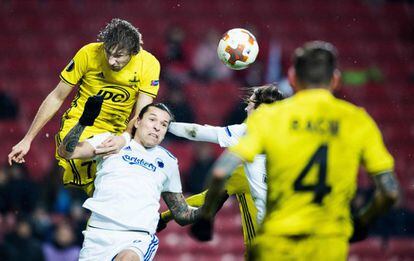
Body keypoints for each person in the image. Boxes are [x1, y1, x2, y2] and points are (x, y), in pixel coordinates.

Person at [191, 41, 400, 260]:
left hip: (277, 241)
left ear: (292, 78)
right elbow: (389, 192)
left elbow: (220, 172)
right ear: (335, 79)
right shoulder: (357, 121)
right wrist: (363, 222)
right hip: (328, 243)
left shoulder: (269, 117)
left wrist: (206, 216)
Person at [8, 18, 160, 196]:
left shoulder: (149, 64)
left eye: (118, 56)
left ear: (133, 52)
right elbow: (57, 96)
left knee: (113, 191)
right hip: (80, 124)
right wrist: (28, 139)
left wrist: (125, 138)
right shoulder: (88, 54)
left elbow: (141, 114)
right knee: (81, 176)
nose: (111, 61)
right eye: (108, 52)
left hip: (116, 131)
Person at [58, 98, 202, 261]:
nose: (157, 127)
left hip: (137, 237)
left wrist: (209, 207)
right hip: (98, 234)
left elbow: (182, 214)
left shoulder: (168, 161)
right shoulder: (111, 142)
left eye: (163, 125)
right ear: (137, 122)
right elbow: (65, 152)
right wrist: (84, 121)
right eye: (152, 119)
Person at [157, 84, 285, 250]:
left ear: (261, 111)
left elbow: (215, 179)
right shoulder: (294, 137)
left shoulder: (245, 136)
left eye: (251, 104)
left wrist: (162, 124)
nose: (246, 108)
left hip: (268, 240)